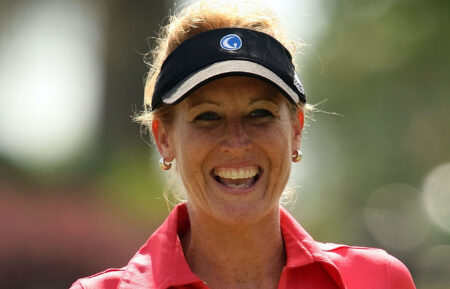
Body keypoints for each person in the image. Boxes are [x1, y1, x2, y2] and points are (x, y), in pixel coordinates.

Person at [70, 0, 416, 288]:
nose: (236, 142)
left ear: (296, 129)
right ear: (164, 139)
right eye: (208, 117)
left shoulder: (378, 280)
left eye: (260, 113)